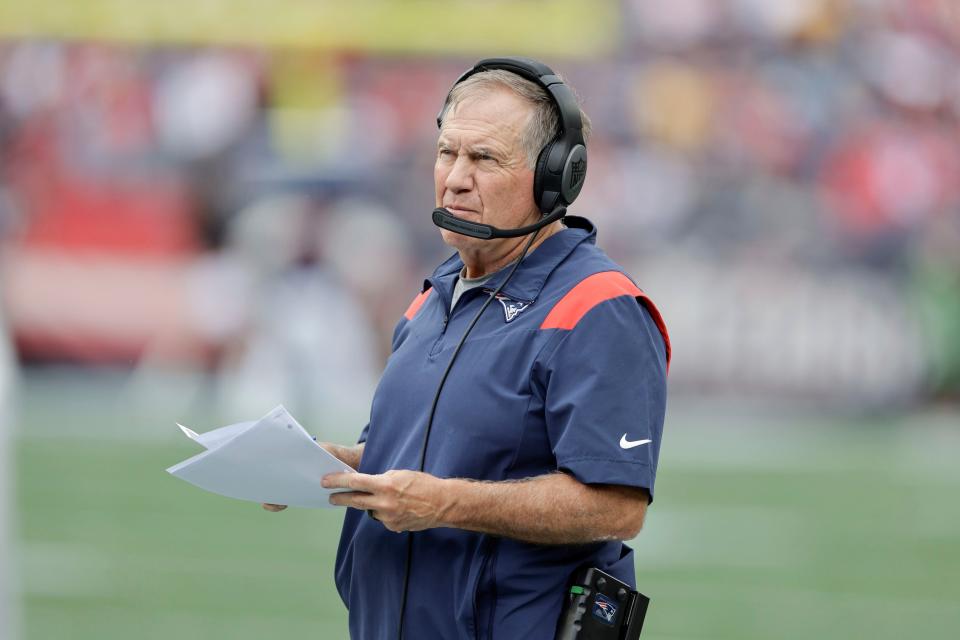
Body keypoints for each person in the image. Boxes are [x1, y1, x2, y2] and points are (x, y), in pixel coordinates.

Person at [265, 57, 670, 640]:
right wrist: (331, 467)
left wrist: (444, 504)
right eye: (447, 152)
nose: (455, 177)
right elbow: (430, 453)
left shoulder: (597, 307)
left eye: (483, 158)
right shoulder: (435, 297)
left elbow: (616, 504)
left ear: (554, 176)